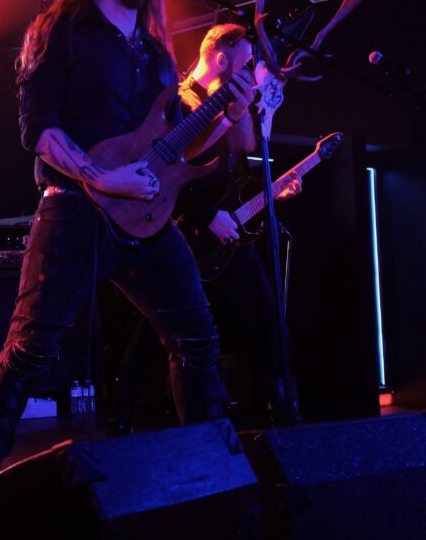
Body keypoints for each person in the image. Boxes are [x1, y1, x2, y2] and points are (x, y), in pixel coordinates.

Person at [0, 0, 257, 493]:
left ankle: (213, 477)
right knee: (32, 347)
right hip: (77, 206)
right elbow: (38, 129)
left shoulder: (156, 52)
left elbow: (179, 143)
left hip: (147, 216)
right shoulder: (61, 31)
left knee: (197, 338)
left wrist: (231, 112)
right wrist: (103, 177)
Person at [109, 23, 301, 433]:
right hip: (184, 231)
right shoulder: (180, 102)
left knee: (267, 316)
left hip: (225, 236)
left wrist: (271, 194)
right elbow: (164, 176)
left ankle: (282, 412)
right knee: (158, 329)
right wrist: (206, 216)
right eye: (245, 62)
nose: (250, 71)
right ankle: (120, 417)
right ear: (221, 58)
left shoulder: (230, 105)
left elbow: (231, 173)